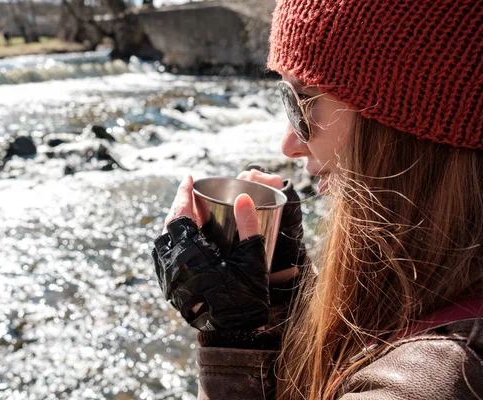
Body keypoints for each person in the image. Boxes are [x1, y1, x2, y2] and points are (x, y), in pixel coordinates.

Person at [152, 0, 483, 399]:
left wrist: (233, 341)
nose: (289, 144)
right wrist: (280, 301)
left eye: (300, 102)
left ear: (411, 113)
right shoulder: (444, 300)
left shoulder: (430, 384)